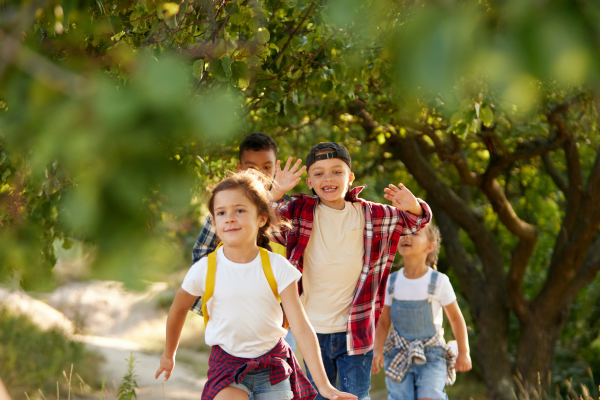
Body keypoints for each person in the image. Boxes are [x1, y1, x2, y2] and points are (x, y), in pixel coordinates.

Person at [156, 171, 356, 400]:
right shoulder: (205, 268)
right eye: (221, 213)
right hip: (227, 366)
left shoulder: (277, 267)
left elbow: (301, 326)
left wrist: (324, 385)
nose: (229, 218)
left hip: (272, 366)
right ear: (214, 220)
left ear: (261, 218)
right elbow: (179, 308)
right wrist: (169, 354)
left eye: (240, 210)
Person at [268, 142, 432, 400]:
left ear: (350, 177)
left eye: (336, 171)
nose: (328, 178)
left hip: (356, 329)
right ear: (309, 181)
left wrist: (413, 206)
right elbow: (262, 220)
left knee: (356, 396)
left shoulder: (371, 214)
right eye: (319, 173)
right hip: (312, 330)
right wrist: (275, 192)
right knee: (317, 396)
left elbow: (415, 221)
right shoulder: (299, 213)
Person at [190, 132, 298, 350]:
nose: (260, 174)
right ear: (239, 168)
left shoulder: (291, 208)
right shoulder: (225, 210)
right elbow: (202, 253)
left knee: (282, 373)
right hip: (233, 311)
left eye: (267, 167)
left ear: (276, 168)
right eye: (251, 167)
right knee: (232, 371)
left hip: (279, 312)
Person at [371, 224, 472, 400]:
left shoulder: (439, 281)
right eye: (403, 233)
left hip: (431, 355)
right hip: (398, 353)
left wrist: (464, 352)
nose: (406, 236)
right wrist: (377, 350)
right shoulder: (392, 282)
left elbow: (456, 318)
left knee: (430, 396)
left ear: (429, 246)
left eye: (414, 233)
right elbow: (384, 321)